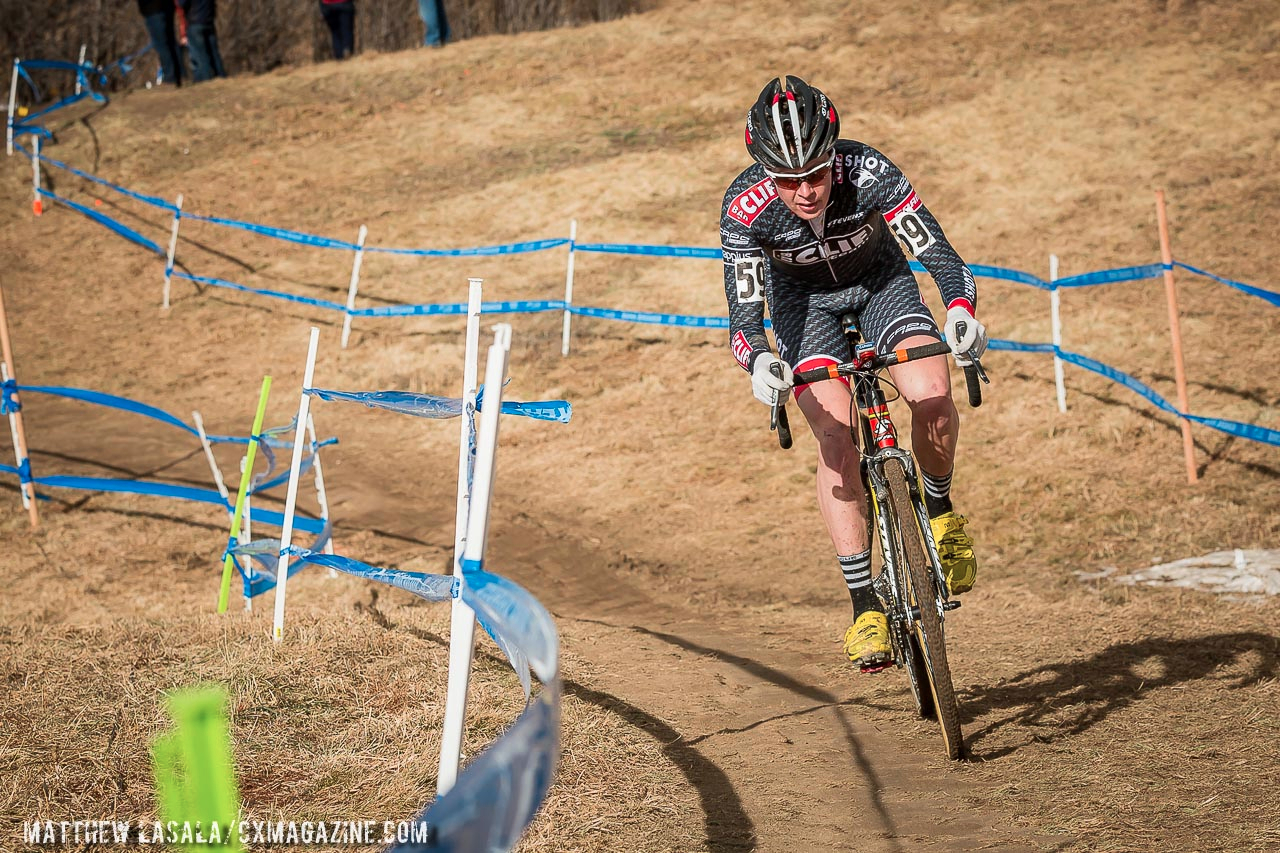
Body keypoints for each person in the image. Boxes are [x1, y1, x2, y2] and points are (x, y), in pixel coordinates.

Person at [719, 76, 987, 671]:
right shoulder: (744, 209)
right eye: (789, 182)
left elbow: (939, 255)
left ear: (832, 156)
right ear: (766, 173)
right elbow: (743, 315)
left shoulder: (868, 171)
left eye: (815, 174)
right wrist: (758, 361)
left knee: (932, 391)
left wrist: (962, 312)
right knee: (835, 435)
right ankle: (865, 603)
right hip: (802, 306)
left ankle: (940, 513)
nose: (806, 191)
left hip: (880, 284)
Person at [136, 0, 183, 87]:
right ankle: (181, 75)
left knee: (162, 45)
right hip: (166, 7)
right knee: (170, 42)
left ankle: (170, 78)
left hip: (154, 10)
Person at [177, 0, 226, 82]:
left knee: (200, 56)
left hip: (195, 22)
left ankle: (206, 79)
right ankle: (221, 76)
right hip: (208, 21)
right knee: (214, 53)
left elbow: (181, 3)